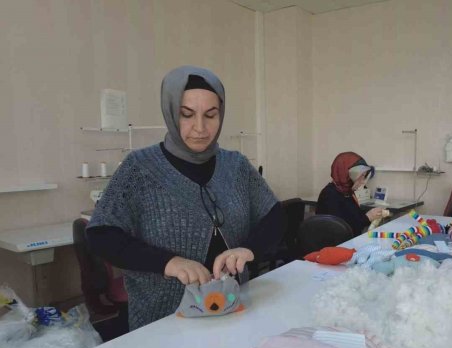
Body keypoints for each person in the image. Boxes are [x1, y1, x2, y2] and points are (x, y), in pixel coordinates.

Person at [87, 66, 284, 330]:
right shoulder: (140, 168)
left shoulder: (236, 166)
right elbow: (101, 234)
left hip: (232, 307)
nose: (200, 128)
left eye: (211, 115)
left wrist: (248, 249)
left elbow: (275, 216)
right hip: (163, 320)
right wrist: (169, 262)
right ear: (170, 112)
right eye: (187, 115)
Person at [316, 152, 384, 235]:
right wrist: (367, 217)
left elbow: (355, 217)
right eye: (361, 176)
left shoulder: (348, 193)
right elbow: (341, 228)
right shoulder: (330, 195)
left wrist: (372, 215)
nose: (363, 182)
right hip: (336, 244)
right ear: (347, 175)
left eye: (364, 176)